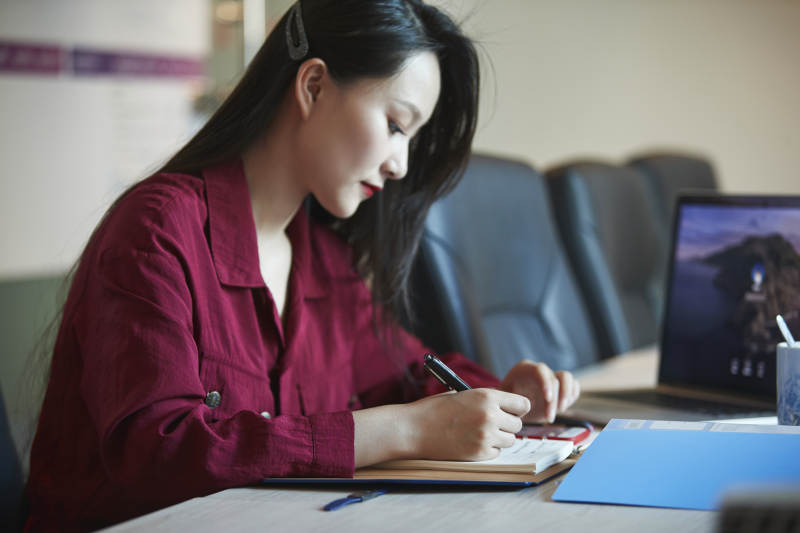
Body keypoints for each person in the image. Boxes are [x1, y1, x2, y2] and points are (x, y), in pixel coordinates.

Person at [25, 1, 580, 530]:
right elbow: (159, 452)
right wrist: (404, 429)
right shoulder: (157, 231)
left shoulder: (324, 259)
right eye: (395, 124)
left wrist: (504, 398)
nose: (400, 164)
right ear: (313, 86)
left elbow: (408, 374)